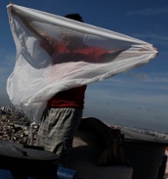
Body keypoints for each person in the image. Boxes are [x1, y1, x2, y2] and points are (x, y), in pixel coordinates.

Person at [32, 13, 123, 166]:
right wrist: (18, 13)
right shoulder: (58, 47)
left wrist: (141, 50)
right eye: (61, 29)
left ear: (77, 31)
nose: (63, 33)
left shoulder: (89, 52)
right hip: (49, 106)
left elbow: (112, 55)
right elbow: (36, 30)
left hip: (69, 107)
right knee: (39, 148)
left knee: (57, 152)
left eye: (67, 29)